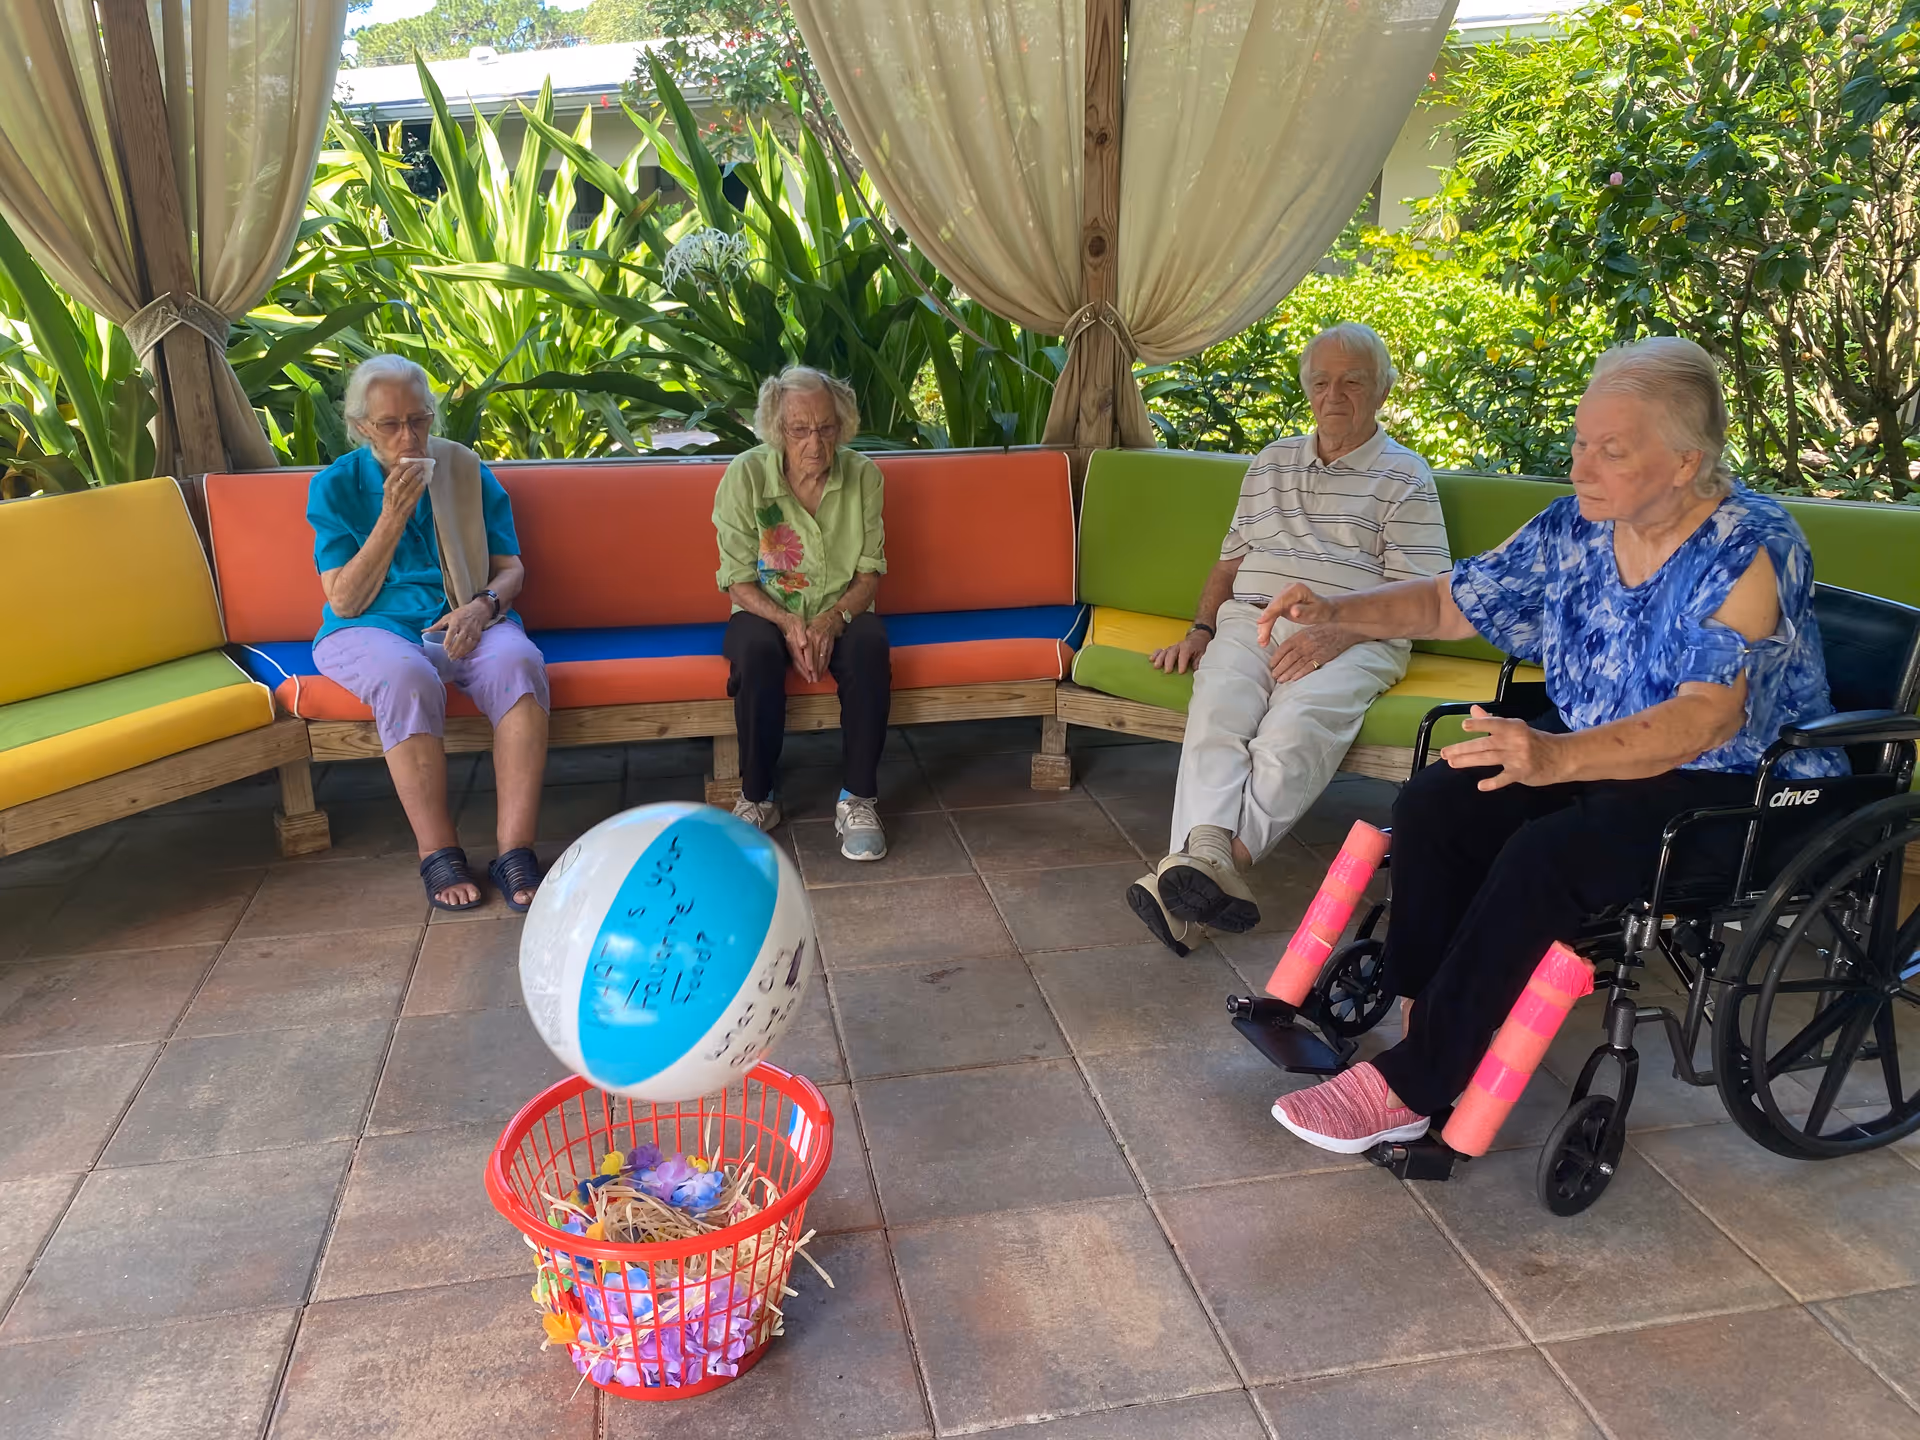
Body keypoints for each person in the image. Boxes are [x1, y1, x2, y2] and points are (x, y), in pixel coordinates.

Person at [1261, 336, 1843, 1154]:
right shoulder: (1580, 523)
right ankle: (1429, 1013)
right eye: (1579, 442)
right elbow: (1449, 603)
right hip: (1605, 751)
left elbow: (1708, 718)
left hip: (1737, 786)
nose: (1582, 467)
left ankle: (1417, 1082)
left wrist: (1554, 757)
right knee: (1437, 801)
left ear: (1684, 463)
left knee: (1549, 855)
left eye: (1612, 451)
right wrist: (1337, 613)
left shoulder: (1748, 545)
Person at [1128, 323, 1451, 954]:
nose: (1335, 395)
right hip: (1252, 620)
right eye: (1322, 382)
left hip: (1357, 636)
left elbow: (1425, 597)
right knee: (1217, 715)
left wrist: (1338, 633)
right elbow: (1228, 564)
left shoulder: (1405, 478)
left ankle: (1193, 881)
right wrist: (1200, 628)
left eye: (1353, 381)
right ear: (1307, 391)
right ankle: (1203, 872)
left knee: (1291, 731)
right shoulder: (1271, 462)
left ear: (1382, 390)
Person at [308, 355, 550, 912]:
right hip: (368, 628)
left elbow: (509, 568)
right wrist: (392, 515)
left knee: (520, 664)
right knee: (405, 675)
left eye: (419, 420)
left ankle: (515, 851)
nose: (408, 436)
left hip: (465, 617)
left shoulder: (464, 469)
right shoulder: (336, 487)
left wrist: (483, 605)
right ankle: (437, 851)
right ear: (362, 427)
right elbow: (342, 598)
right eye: (390, 425)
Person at [713, 367, 891, 860]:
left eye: (827, 428)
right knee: (754, 655)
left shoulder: (864, 477)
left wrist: (831, 620)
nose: (815, 442)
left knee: (871, 649)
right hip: (765, 610)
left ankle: (858, 798)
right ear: (777, 429)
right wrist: (790, 623)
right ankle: (756, 797)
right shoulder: (745, 476)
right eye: (800, 429)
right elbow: (737, 579)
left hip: (841, 606)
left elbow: (869, 575)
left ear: (842, 426)